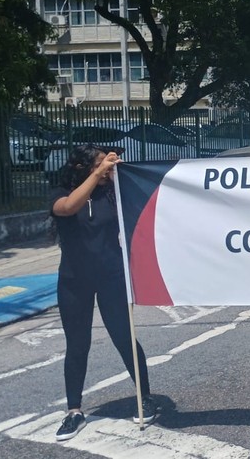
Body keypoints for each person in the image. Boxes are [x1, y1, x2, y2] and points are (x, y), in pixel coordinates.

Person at [49, 145, 158, 441]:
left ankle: (144, 396)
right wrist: (98, 172)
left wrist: (121, 173)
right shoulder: (61, 191)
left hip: (111, 276)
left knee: (124, 336)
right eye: (100, 165)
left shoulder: (113, 192)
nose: (107, 170)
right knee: (77, 344)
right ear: (84, 167)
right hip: (74, 280)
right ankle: (74, 411)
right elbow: (68, 207)